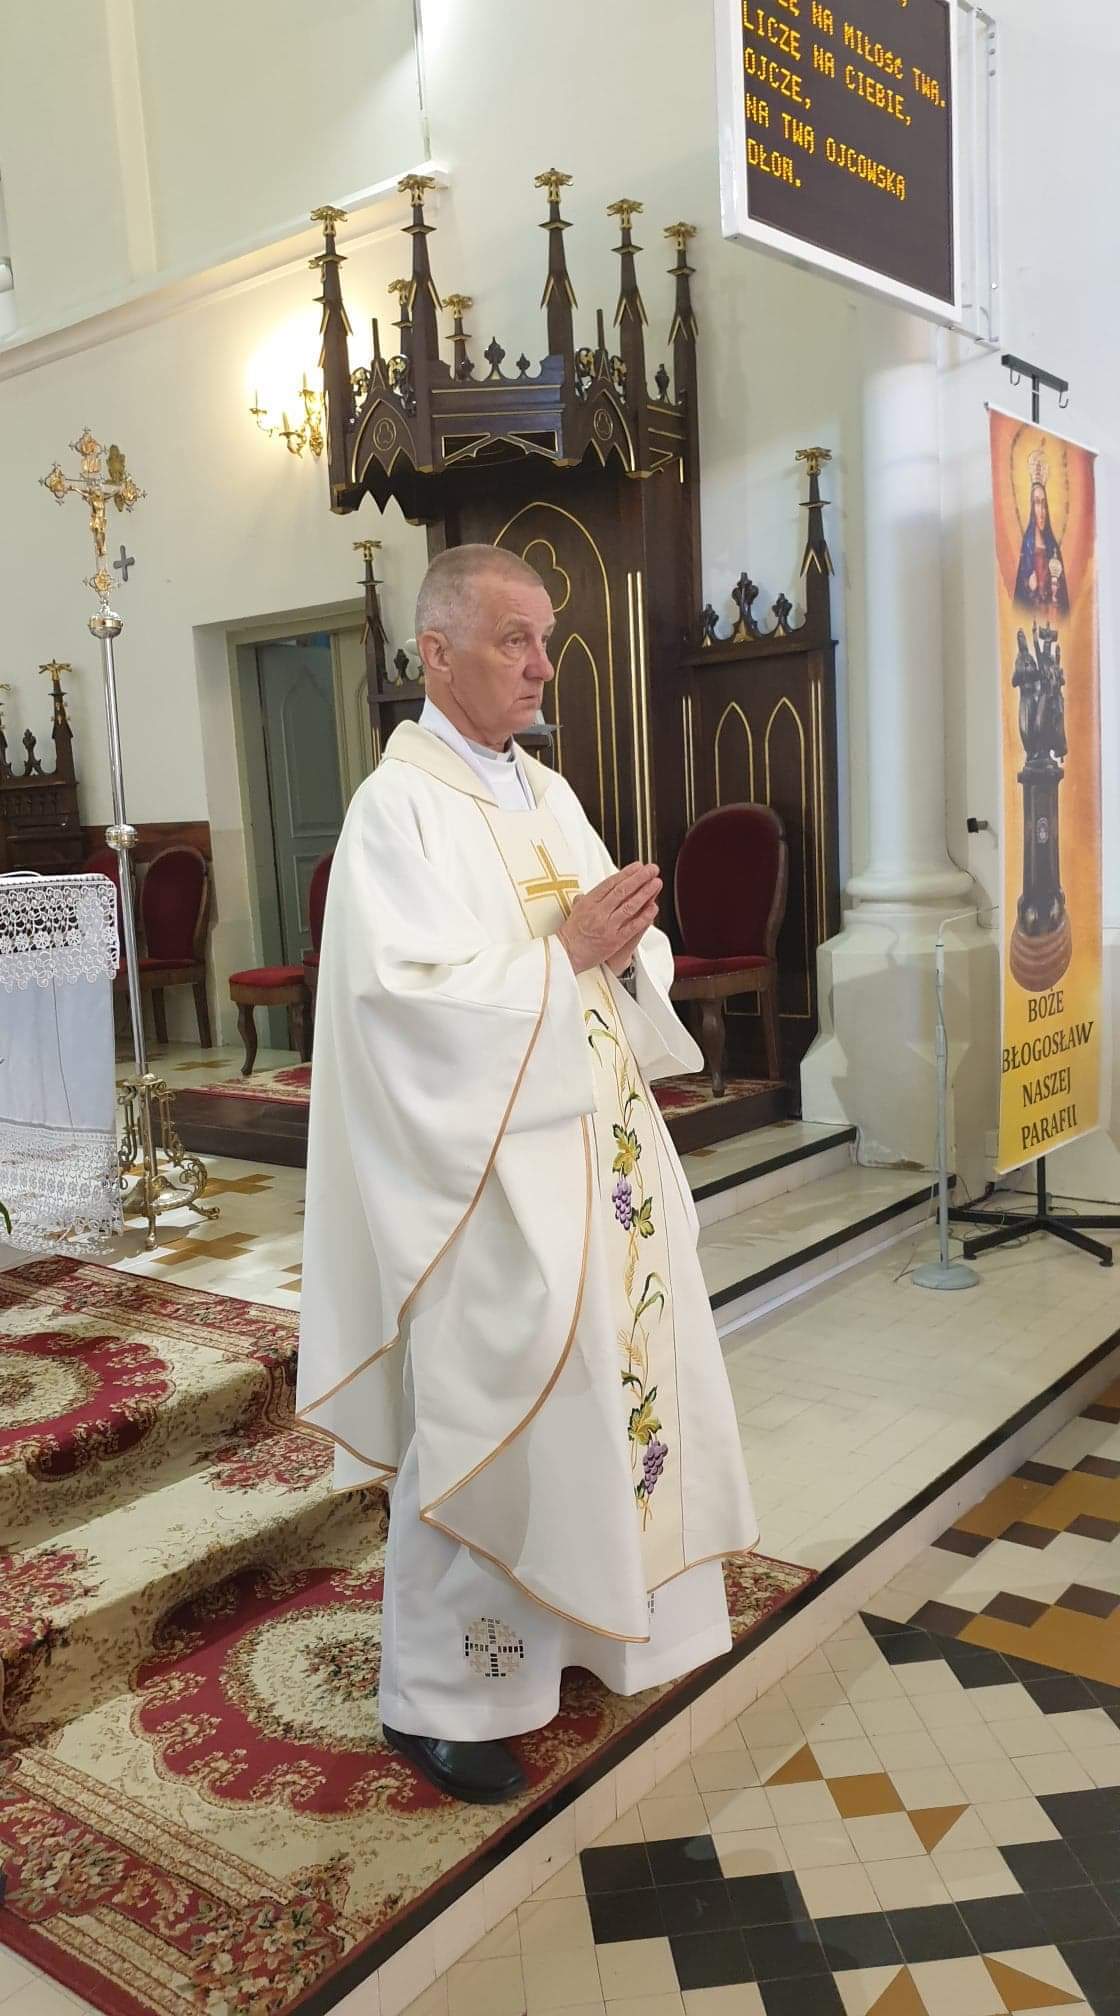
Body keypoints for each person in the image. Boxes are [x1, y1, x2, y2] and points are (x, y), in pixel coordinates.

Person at [297, 544, 758, 1804]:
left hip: (597, 1165)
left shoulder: (545, 790)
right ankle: (452, 1696)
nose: (542, 665)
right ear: (436, 652)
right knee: (489, 1427)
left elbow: (610, 953)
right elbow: (401, 1010)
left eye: (545, 639)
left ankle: (588, 1640)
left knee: (605, 1407)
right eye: (514, 639)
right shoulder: (396, 811)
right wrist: (564, 955)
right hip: (484, 1190)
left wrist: (624, 947)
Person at [1014, 479, 1069, 616]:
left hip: (1052, 615)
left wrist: (1055, 588)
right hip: (1032, 615)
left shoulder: (1053, 546)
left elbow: (1063, 600)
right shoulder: (1027, 545)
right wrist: (1029, 585)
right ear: (1032, 508)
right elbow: (1020, 599)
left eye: (1044, 504)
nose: (1042, 511)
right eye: (1037, 503)